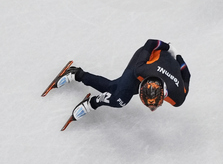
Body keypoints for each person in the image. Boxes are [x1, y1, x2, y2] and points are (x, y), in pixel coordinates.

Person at [49, 39, 190, 129]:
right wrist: (168, 48)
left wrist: (176, 55)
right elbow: (150, 43)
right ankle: (92, 102)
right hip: (148, 57)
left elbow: (186, 74)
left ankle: (77, 74)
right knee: (120, 99)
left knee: (115, 88)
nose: (151, 107)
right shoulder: (141, 69)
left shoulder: (177, 96)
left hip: (164, 64)